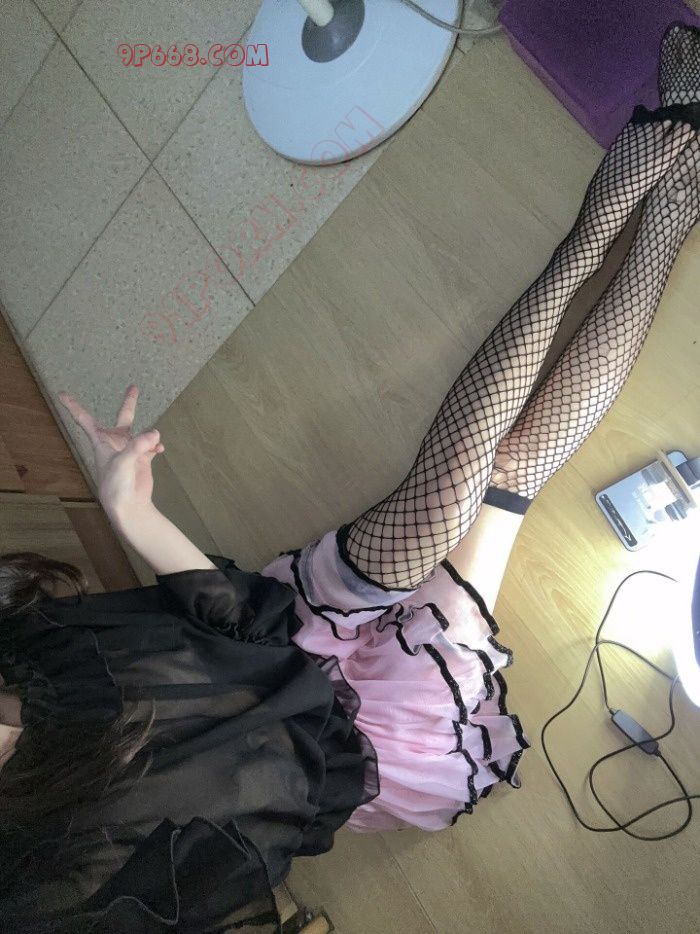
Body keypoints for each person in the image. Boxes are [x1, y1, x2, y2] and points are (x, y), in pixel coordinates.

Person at [1, 23, 699, 934]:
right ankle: (680, 185)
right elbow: (277, 813)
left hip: (275, 633)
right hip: (350, 742)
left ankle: (659, 158)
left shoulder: (21, 651)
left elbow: (231, 630)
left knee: (451, 479)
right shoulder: (56, 893)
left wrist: (137, 519)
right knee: (508, 477)